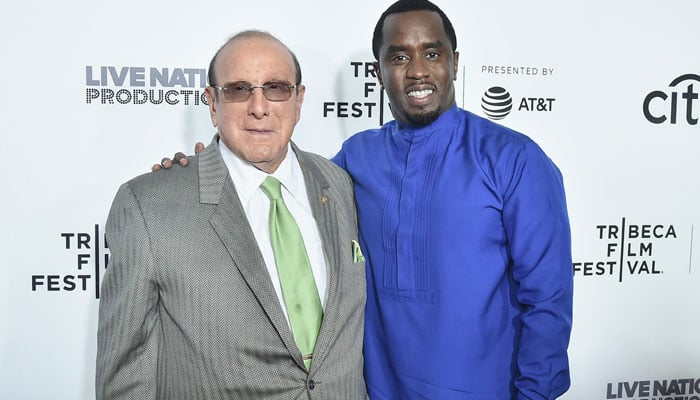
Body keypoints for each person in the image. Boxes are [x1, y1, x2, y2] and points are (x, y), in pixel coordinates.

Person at [160, 0, 574, 398]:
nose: (417, 71)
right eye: (399, 57)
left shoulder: (514, 159)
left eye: (432, 54)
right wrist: (205, 170)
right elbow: (278, 181)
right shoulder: (357, 157)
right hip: (372, 391)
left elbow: (547, 299)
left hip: (487, 389)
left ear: (455, 64)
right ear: (378, 72)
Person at [97, 31, 367, 399]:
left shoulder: (339, 184)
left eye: (276, 88)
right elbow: (126, 377)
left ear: (298, 100)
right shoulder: (148, 205)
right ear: (212, 103)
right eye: (239, 90)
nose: (259, 107)